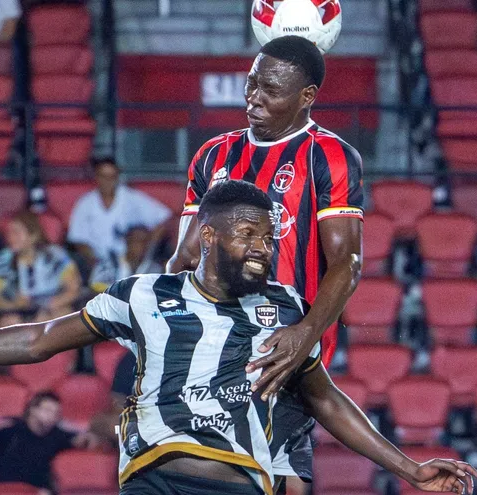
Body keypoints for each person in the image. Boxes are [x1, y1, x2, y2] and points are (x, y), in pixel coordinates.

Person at [0, 181, 477, 495]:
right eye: (249, 234)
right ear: (208, 237)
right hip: (156, 476)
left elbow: (325, 399)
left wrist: (408, 468)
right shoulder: (142, 294)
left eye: (269, 237)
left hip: (241, 482)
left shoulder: (286, 307)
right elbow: (37, 341)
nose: (264, 247)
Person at [166, 35, 364, 493]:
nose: (253, 98)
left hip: (282, 352)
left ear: (306, 96)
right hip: (211, 349)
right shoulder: (213, 154)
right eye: (251, 83)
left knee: (285, 483)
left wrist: (304, 335)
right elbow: (185, 257)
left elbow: (347, 262)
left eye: (270, 90)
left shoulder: (328, 155)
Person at [0, 391, 99, 494]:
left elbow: (86, 441)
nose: (52, 416)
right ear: (33, 409)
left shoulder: (58, 435)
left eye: (56, 413)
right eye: (47, 410)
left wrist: (87, 438)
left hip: (33, 489)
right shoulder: (11, 427)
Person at [66, 157, 171, 272]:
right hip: (98, 263)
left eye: (112, 177)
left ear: (117, 177)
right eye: (103, 176)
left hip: (129, 261)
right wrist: (94, 262)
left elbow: (164, 218)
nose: (108, 181)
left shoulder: (131, 198)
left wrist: (148, 251)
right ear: (96, 177)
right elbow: (77, 238)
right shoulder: (85, 203)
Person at [0, 210, 82, 327]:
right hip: (19, 315)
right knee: (8, 322)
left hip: (52, 310)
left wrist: (53, 304)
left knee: (64, 315)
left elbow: (73, 289)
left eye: (16, 232)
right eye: (9, 233)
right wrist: (14, 305)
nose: (11, 237)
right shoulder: (1, 262)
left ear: (33, 235)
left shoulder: (55, 256)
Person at [88, 224, 164, 293]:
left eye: (146, 241)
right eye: (138, 240)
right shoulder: (108, 265)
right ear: (127, 241)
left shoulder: (155, 269)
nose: (143, 245)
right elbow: (95, 289)